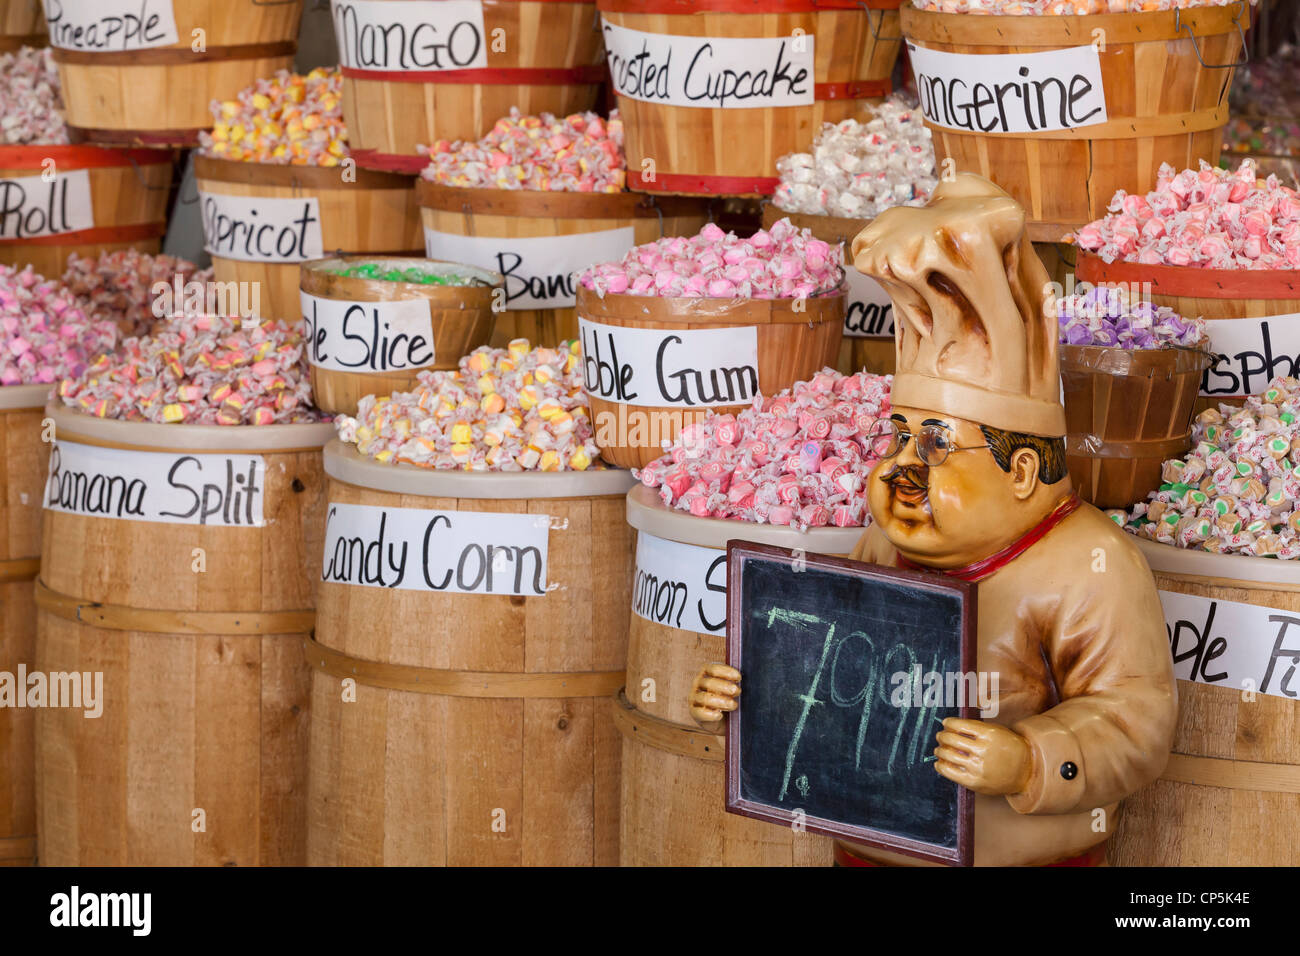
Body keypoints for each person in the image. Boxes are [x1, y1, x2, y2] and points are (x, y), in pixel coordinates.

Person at [689, 174, 1178, 866]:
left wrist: (1030, 760)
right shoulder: (880, 545)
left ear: (1023, 472)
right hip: (867, 853)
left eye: (939, 445)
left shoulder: (1088, 565)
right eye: (899, 438)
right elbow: (828, 673)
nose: (902, 466)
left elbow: (1137, 722)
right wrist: (749, 695)